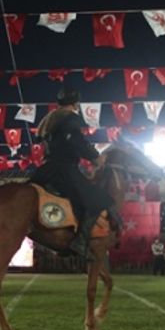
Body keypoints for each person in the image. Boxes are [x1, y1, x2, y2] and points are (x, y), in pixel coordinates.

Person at [29, 86, 108, 258]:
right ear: (76, 103)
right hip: (64, 169)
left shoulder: (49, 119)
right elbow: (78, 142)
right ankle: (79, 242)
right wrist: (95, 157)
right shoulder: (70, 119)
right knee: (95, 201)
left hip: (46, 169)